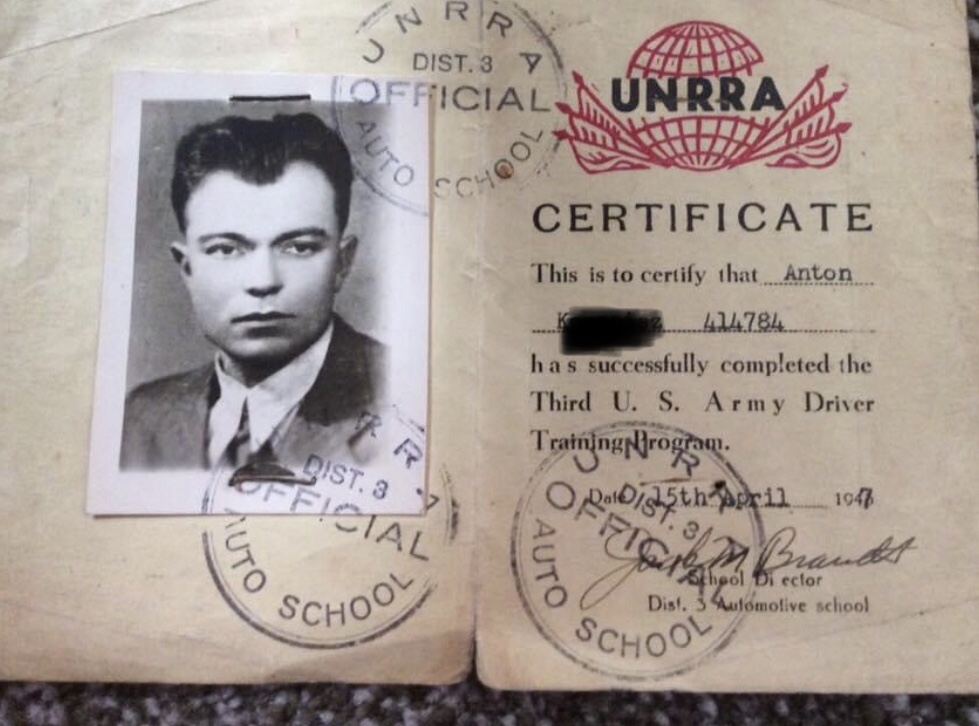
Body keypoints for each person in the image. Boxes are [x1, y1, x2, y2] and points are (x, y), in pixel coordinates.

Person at [121, 112, 386, 471]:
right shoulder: (141, 419)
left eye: (299, 247)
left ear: (341, 263)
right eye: (226, 249)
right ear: (187, 268)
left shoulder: (404, 399)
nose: (263, 281)